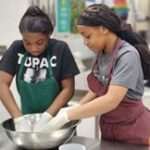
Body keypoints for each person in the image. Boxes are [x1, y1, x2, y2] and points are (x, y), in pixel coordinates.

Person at [44, 4, 150, 145]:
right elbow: (97, 89)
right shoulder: (102, 53)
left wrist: (67, 115)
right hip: (109, 127)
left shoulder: (127, 55)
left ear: (104, 29)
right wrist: (77, 107)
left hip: (132, 130)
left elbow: (111, 100)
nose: (85, 42)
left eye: (87, 36)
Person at [0, 5, 79, 132]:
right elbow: (2, 83)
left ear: (49, 35)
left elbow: (68, 89)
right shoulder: (16, 49)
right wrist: (18, 119)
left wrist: (47, 117)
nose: (33, 48)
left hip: (58, 123)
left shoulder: (60, 49)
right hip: (28, 122)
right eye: (27, 42)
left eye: (40, 42)